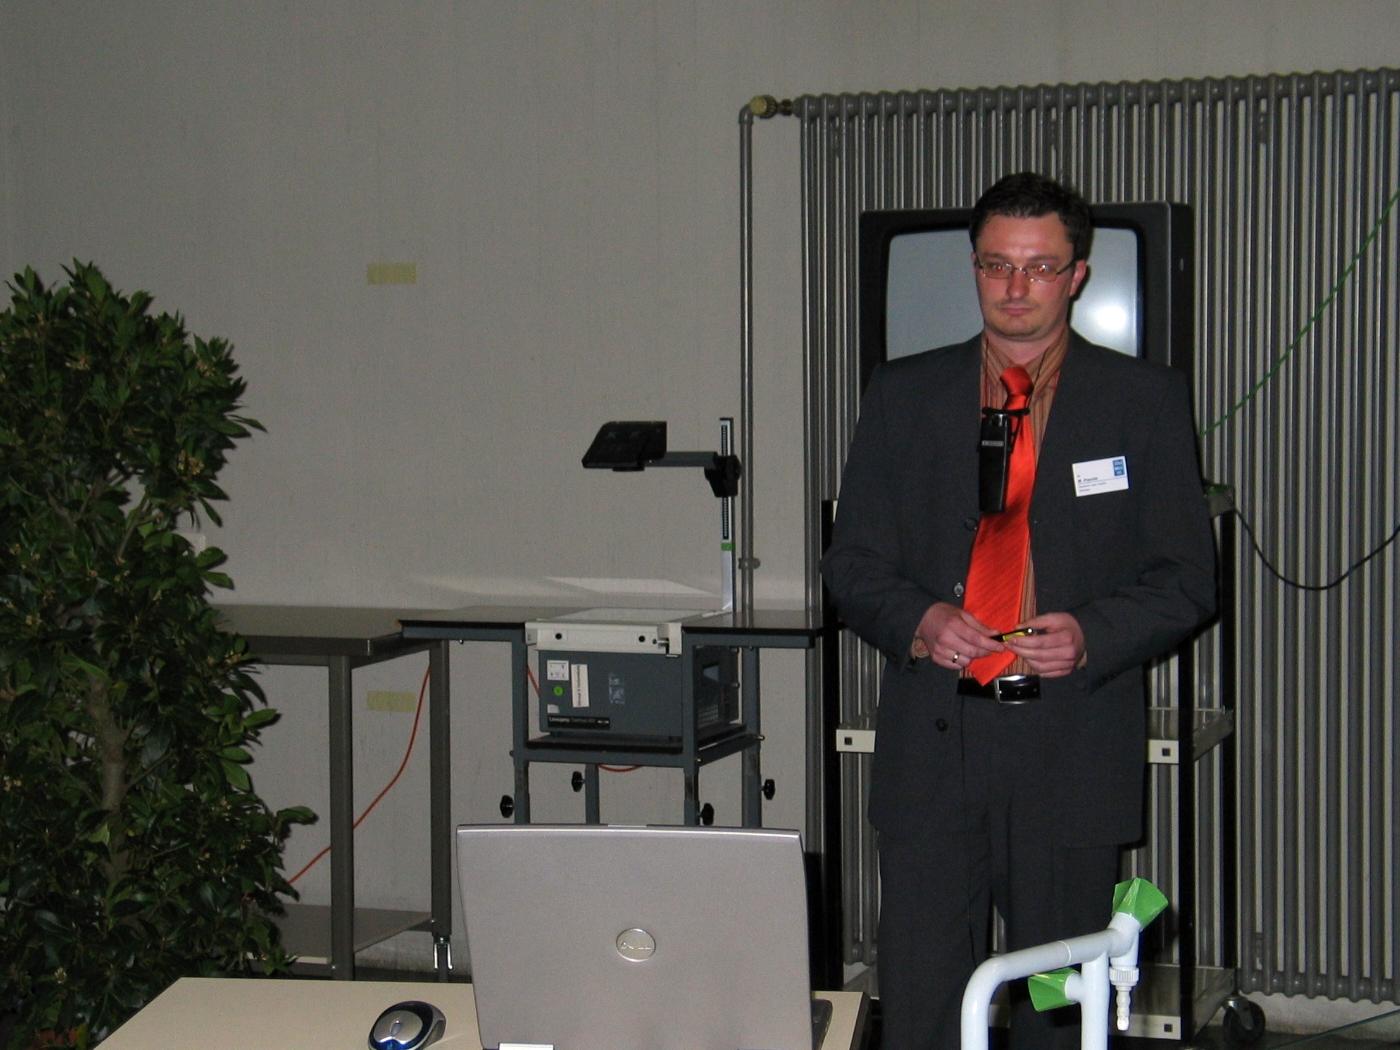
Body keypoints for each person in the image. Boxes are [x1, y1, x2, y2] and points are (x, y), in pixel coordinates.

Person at [821, 172, 1217, 1050]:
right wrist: (920, 620)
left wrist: (1093, 635)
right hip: (936, 752)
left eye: (1039, 267)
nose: (1015, 287)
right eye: (997, 264)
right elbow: (850, 564)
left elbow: (1189, 578)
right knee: (924, 1002)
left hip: (1068, 751)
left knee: (1055, 1007)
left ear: (1076, 275)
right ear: (974, 266)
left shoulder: (1143, 400)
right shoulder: (902, 393)